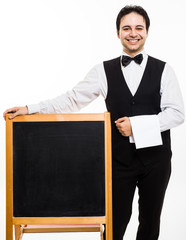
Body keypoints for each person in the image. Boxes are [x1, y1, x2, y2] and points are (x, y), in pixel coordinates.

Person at [3, 5, 185, 240]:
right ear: (117, 32)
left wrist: (136, 126)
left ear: (147, 32)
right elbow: (72, 99)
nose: (133, 33)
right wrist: (31, 109)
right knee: (114, 224)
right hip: (117, 160)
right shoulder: (102, 70)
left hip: (156, 160)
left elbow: (177, 113)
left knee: (150, 224)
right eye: (126, 28)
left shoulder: (164, 70)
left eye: (139, 28)